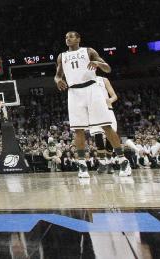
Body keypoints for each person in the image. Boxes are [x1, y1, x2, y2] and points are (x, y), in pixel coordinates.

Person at [54, 31, 131, 178]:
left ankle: (123, 160)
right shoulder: (61, 56)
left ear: (78, 39)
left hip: (92, 89)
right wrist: (58, 80)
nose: (67, 39)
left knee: (106, 126)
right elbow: (58, 75)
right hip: (74, 92)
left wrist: (98, 63)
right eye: (66, 37)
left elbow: (108, 68)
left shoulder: (88, 51)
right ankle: (82, 165)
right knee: (78, 130)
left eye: (71, 36)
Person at [90, 75, 120, 173]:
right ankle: (102, 163)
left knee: (110, 138)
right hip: (94, 110)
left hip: (107, 109)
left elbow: (114, 96)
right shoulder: (84, 81)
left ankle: (109, 163)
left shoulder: (103, 79)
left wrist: (110, 100)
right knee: (98, 136)